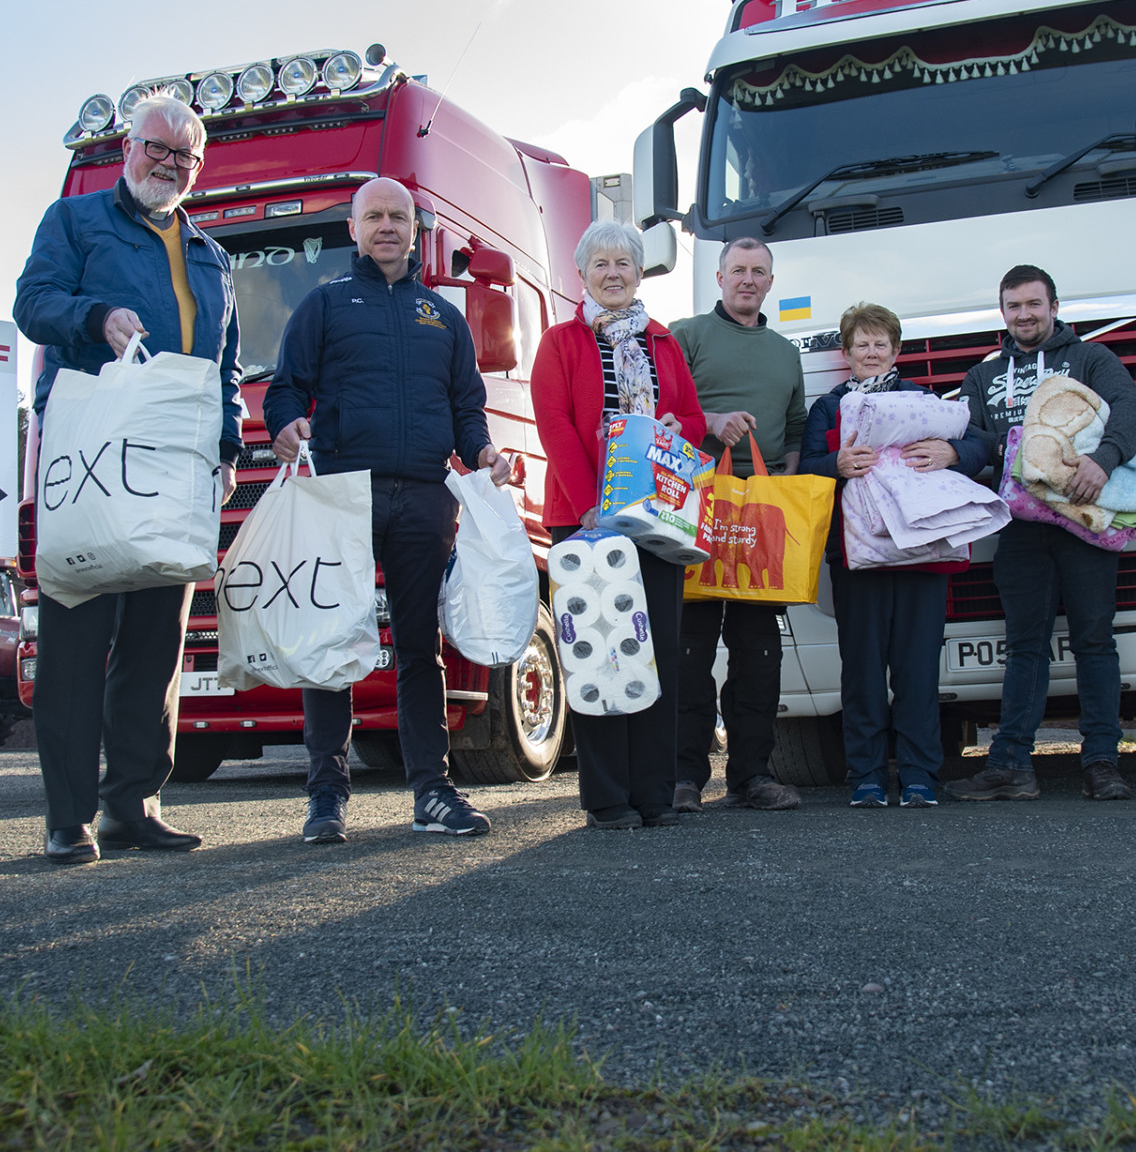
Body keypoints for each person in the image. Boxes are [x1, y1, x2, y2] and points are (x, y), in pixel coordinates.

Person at [13, 92, 245, 864]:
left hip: (176, 466)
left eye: (184, 156)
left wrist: (227, 449)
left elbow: (228, 368)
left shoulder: (212, 257)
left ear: (198, 167)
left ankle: (134, 804)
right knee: (78, 639)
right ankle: (68, 816)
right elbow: (32, 303)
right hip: (92, 455)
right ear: (127, 149)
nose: (169, 164)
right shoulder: (74, 221)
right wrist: (94, 315)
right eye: (157, 148)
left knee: (156, 644)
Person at [264, 176, 512, 844]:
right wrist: (285, 426)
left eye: (398, 217)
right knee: (331, 646)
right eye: (373, 216)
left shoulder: (443, 316)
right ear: (353, 228)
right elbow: (285, 390)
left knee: (417, 648)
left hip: (426, 497)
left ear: (415, 228)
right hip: (342, 494)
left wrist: (485, 453)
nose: (386, 227)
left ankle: (432, 791)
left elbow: (466, 411)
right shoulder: (325, 306)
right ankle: (325, 799)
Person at [944, 264, 1136, 802]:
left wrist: (1103, 460)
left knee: (1094, 641)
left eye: (1034, 304)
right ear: (1003, 313)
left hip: (1084, 520)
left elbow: (1130, 410)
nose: (1024, 314)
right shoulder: (985, 376)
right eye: (1014, 306)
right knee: (1025, 645)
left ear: (1054, 307)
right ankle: (1012, 765)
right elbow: (973, 439)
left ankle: (1103, 762)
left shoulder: (1091, 359)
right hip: (1019, 529)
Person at [532, 220, 706, 828]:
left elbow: (690, 413)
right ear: (582, 274)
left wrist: (675, 430)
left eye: (624, 264)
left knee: (653, 653)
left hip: (656, 515)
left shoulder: (664, 341)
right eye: (600, 263)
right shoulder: (560, 342)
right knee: (599, 653)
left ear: (639, 273)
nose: (613, 273)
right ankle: (607, 798)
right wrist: (588, 507)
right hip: (585, 520)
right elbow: (553, 425)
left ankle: (655, 793)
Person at [800, 303, 989, 809]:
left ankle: (920, 774)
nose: (871, 352)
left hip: (922, 552)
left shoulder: (922, 402)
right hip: (856, 556)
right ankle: (865, 774)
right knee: (861, 668)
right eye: (861, 344)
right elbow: (809, 469)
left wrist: (953, 454)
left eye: (880, 343)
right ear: (845, 353)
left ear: (896, 350)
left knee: (917, 666)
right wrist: (835, 463)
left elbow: (977, 447)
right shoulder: (828, 407)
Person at [668, 237, 808, 812]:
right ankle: (682, 778)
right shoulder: (688, 335)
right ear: (720, 278)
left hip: (763, 514)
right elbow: (663, 411)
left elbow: (796, 428)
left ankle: (752, 775)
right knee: (689, 650)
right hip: (697, 506)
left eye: (759, 272)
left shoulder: (784, 351)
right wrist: (713, 420)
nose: (748, 280)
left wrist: (783, 483)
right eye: (738, 271)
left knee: (758, 653)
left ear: (771, 282)